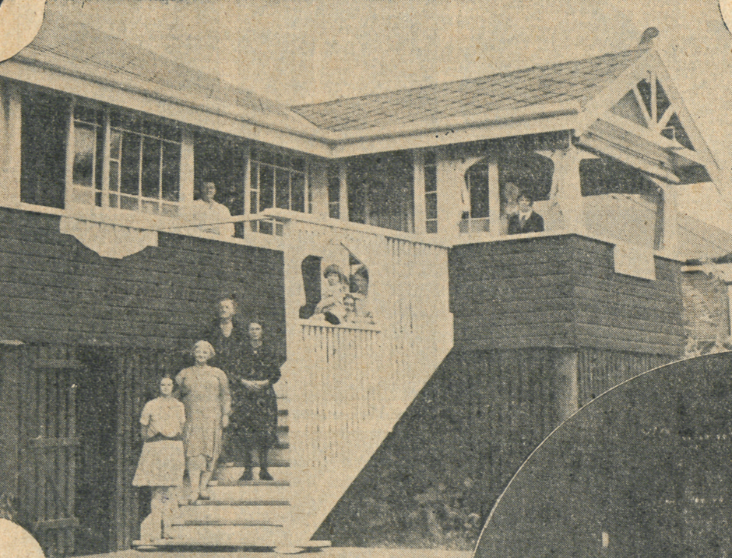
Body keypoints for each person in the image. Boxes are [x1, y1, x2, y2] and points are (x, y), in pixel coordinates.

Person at [176, 340, 231, 503]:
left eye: (205, 353)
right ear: (193, 353)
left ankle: (203, 486)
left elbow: (226, 395)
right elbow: (177, 395)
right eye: (198, 352)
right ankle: (193, 489)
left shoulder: (218, 373)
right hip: (192, 416)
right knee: (193, 452)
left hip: (213, 416)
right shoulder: (184, 374)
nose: (201, 355)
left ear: (210, 355)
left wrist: (225, 414)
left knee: (211, 450)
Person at [132, 375, 186, 541]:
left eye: (169, 385)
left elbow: (182, 427)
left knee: (169, 490)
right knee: (156, 491)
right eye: (162, 384)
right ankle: (156, 531)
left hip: (173, 447)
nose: (165, 387)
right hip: (155, 447)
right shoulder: (151, 405)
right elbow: (143, 429)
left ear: (173, 387)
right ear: (158, 386)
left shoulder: (179, 405)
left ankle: (168, 529)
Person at [228, 322, 281, 481]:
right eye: (251, 329)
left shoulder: (269, 350)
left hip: (264, 396)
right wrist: (243, 382)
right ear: (247, 331)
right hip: (246, 395)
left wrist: (265, 382)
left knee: (264, 432)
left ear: (262, 331)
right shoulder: (240, 349)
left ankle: (264, 469)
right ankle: (247, 469)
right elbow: (233, 371)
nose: (254, 332)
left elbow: (276, 373)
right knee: (246, 431)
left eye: (258, 328)